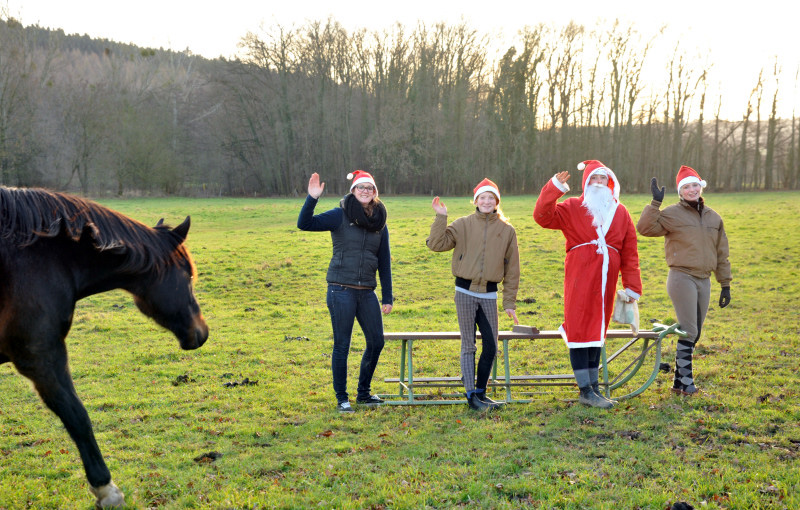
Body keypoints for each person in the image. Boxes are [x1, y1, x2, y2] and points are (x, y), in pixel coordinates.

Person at [533, 160, 642, 409]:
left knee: (597, 329)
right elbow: (542, 216)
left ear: (610, 182)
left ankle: (593, 388)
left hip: (607, 279)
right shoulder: (572, 206)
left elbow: (630, 252)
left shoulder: (621, 212)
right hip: (580, 275)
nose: (598, 182)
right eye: (594, 178)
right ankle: (585, 390)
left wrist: (632, 286)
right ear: (586, 182)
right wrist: (554, 188)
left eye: (603, 178)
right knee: (580, 326)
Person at [297, 170, 393, 413]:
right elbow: (305, 224)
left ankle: (364, 394)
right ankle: (342, 398)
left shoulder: (380, 223)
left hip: (367, 291)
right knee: (342, 345)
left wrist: (387, 296)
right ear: (353, 190)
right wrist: (312, 198)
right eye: (361, 187)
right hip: (340, 290)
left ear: (375, 192)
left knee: (377, 342)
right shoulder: (339, 215)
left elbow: (384, 261)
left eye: (369, 188)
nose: (365, 191)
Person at [426, 178, 520, 411]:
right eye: (482, 197)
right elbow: (436, 244)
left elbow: (513, 269)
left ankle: (481, 393)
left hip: (489, 294)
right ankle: (471, 397)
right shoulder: (462, 224)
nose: (487, 201)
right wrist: (441, 217)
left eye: (491, 198)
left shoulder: (507, 231)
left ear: (497, 202)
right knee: (468, 345)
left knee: (491, 346)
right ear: (476, 201)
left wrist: (509, 301)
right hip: (465, 292)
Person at [636, 165, 731, 396]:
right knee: (689, 330)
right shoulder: (671, 214)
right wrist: (655, 204)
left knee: (694, 332)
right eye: (686, 187)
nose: (691, 190)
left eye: (695, 185)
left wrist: (725, 284)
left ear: (701, 187)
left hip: (704, 279)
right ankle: (687, 383)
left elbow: (722, 253)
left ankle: (678, 383)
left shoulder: (714, 217)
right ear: (680, 191)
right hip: (681, 277)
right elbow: (645, 228)